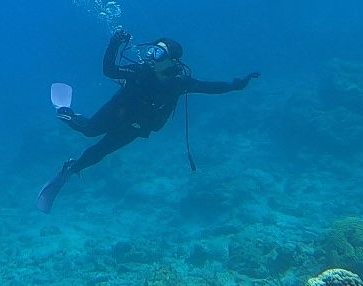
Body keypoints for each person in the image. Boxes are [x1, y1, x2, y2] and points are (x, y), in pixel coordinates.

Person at [36, 28, 260, 213]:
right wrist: (114, 43)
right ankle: (66, 111)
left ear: (171, 61)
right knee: (89, 131)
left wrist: (236, 85)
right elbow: (109, 71)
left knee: (101, 151)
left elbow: (210, 87)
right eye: (152, 50)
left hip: (136, 126)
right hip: (117, 111)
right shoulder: (139, 71)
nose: (151, 57)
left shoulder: (179, 83)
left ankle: (70, 170)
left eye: (158, 54)